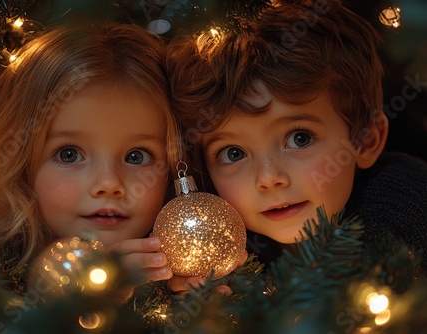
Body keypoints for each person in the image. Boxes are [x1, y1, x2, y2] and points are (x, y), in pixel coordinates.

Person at [166, 0, 427, 293]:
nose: (269, 179)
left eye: (299, 138)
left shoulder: (406, 206)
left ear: (366, 139)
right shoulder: (218, 245)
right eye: (233, 153)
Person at [0, 23, 179, 294]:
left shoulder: (190, 286)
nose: (109, 184)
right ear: (21, 165)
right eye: (69, 154)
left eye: (136, 156)